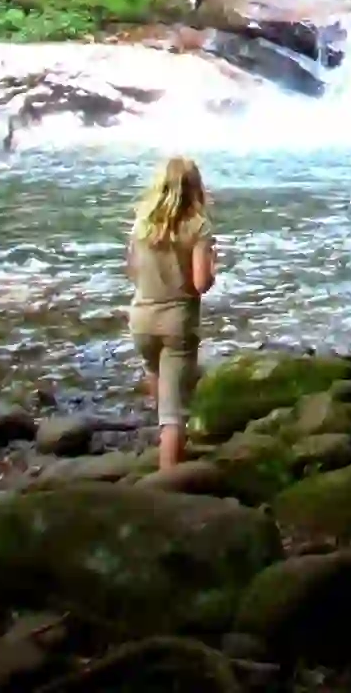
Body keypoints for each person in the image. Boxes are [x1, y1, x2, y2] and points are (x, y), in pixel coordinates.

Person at [128, 155, 218, 469]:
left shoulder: (142, 221)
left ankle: (167, 443)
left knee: (155, 375)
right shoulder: (199, 226)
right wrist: (213, 266)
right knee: (175, 414)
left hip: (140, 317)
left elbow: (132, 271)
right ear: (195, 188)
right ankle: (168, 483)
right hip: (176, 321)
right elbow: (200, 283)